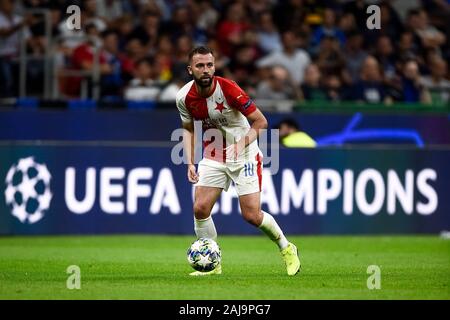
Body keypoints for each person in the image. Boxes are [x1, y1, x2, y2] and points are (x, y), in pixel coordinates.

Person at [176, 46, 301, 276]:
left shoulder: (229, 89)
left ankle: (287, 247)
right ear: (190, 69)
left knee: (251, 215)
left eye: (209, 65)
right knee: (200, 207)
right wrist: (190, 162)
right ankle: (213, 265)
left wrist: (239, 144)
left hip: (244, 154)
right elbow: (188, 129)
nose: (206, 70)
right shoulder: (184, 97)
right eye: (200, 66)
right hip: (213, 153)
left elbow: (261, 122)